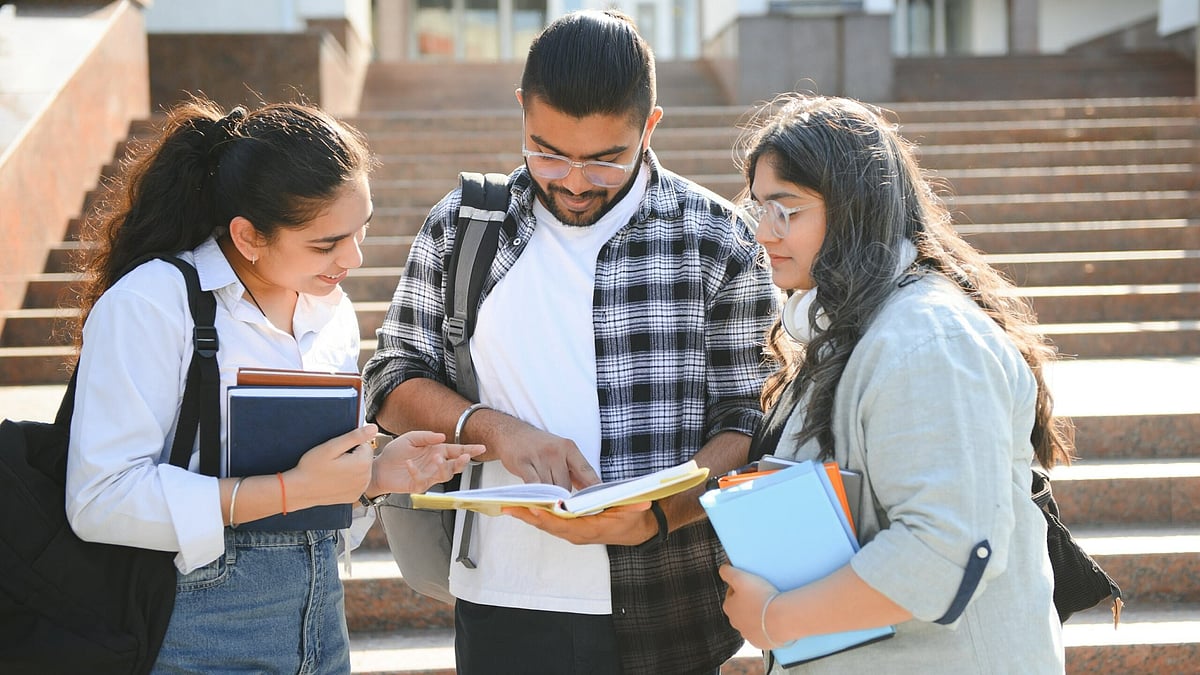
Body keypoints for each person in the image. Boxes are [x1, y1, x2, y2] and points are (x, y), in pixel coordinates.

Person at [362, 9, 778, 674]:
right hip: (503, 601)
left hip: (671, 602)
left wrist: (654, 518)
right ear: (522, 110)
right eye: (547, 150)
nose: (575, 180)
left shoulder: (718, 240)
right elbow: (390, 376)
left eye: (606, 158)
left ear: (649, 126)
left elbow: (750, 419)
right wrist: (497, 431)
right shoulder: (465, 227)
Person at [64, 97, 482, 673]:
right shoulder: (153, 302)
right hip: (197, 634)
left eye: (362, 230)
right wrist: (290, 489)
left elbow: (316, 498)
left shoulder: (329, 312)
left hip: (321, 626)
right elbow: (99, 499)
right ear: (249, 235)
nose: (353, 259)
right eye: (325, 243)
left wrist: (372, 479)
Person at [717, 93, 1068, 672]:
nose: (763, 232)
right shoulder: (853, 323)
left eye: (789, 209)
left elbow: (942, 551)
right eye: (759, 208)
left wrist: (776, 618)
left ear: (856, 209)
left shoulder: (927, 340)